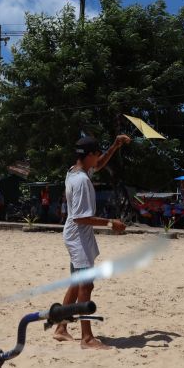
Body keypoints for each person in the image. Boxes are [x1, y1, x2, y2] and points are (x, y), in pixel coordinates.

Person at [54, 134, 130, 349]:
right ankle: (87, 338)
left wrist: (114, 145)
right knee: (86, 285)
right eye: (96, 155)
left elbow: (100, 163)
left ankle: (61, 327)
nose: (98, 159)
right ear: (89, 155)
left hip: (76, 234)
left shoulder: (75, 171)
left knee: (77, 282)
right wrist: (110, 223)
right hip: (78, 236)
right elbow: (79, 216)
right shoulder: (81, 181)